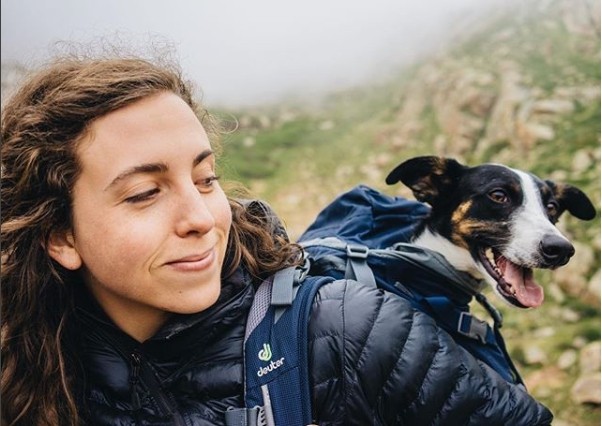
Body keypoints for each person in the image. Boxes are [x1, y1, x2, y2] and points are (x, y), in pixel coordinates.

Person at [1, 52, 554, 426]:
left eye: (205, 178)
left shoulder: (350, 327)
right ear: (59, 235)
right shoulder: (22, 364)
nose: (201, 217)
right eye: (146, 192)